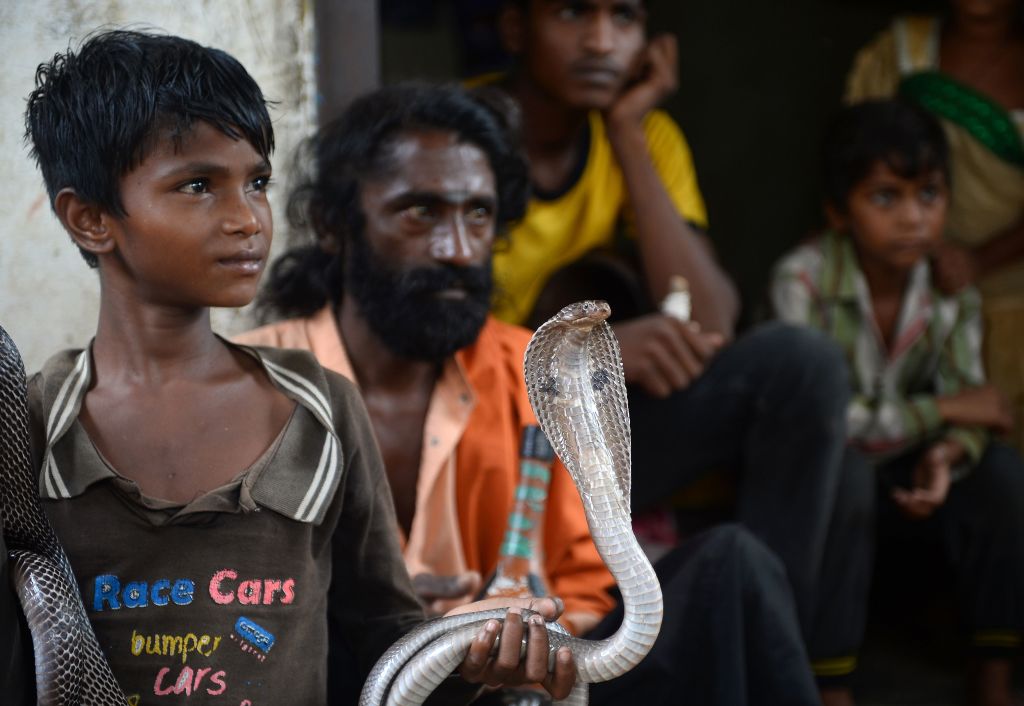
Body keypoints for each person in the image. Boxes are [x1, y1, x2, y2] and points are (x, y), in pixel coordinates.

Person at [18, 29, 577, 706]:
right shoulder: (30, 422)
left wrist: (467, 654)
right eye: (199, 185)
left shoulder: (320, 407)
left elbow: (384, 633)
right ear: (90, 219)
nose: (247, 218)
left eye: (256, 182)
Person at [239, 82, 821, 706]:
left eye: (478, 214)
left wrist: (504, 630)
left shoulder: (525, 366)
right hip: (356, 682)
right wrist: (397, 618)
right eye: (421, 212)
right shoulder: (256, 381)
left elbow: (584, 584)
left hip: (514, 689)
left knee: (732, 567)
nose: (459, 249)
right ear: (334, 225)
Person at [473, 0, 871, 692]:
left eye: (623, 18)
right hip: (493, 444)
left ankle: (769, 641)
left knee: (802, 366)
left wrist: (627, 132)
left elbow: (712, 318)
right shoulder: (462, 135)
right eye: (572, 13)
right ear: (515, 27)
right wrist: (599, 347)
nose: (601, 41)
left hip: (601, 434)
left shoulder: (647, 135)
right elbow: (427, 343)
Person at [772, 99, 1024, 706]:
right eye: (885, 198)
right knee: (849, 474)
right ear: (839, 212)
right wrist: (943, 414)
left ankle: (994, 674)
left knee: (1001, 475)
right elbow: (829, 427)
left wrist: (947, 454)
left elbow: (976, 407)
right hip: (828, 488)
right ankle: (833, 684)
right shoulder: (801, 282)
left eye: (929, 195)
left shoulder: (948, 289)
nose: (913, 218)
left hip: (912, 484)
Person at [845, 0, 1024, 454]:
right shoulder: (902, 50)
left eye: (927, 196)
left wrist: (978, 262)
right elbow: (856, 158)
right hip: (904, 280)